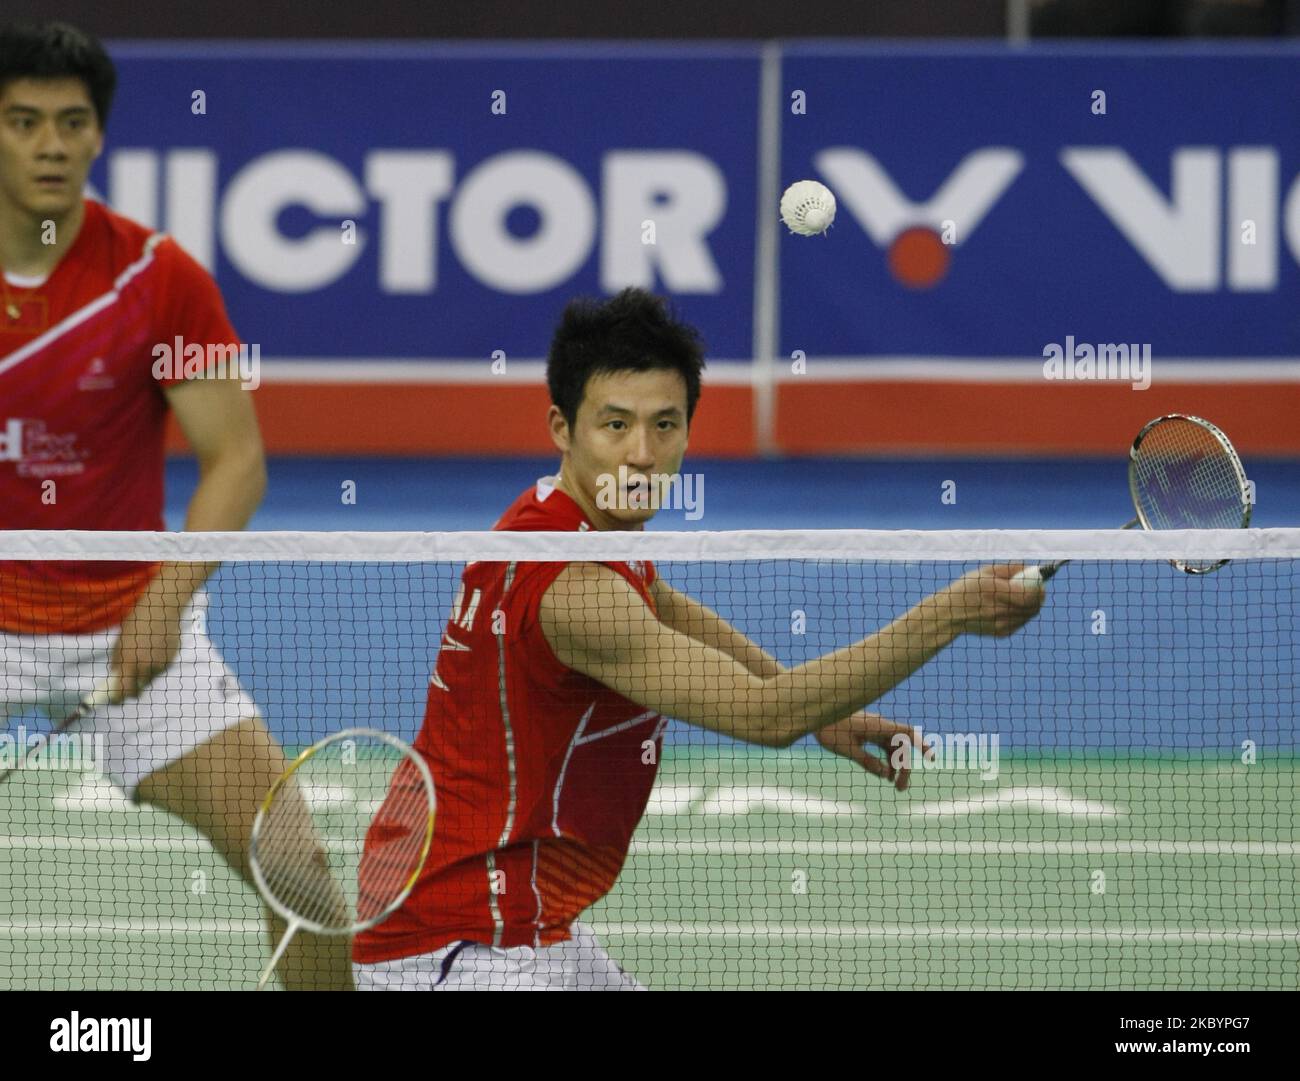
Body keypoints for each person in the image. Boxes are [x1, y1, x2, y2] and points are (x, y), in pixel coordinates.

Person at [352, 287, 1044, 990]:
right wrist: (947, 617)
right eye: (614, 425)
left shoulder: (560, 514)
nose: (642, 454)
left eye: (665, 424)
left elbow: (659, 602)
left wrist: (818, 706)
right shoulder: (578, 593)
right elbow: (762, 716)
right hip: (457, 942)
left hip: (520, 913)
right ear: (562, 426)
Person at [0, 20, 350, 989]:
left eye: (72, 123)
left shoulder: (161, 281)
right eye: (23, 121)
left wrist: (164, 601)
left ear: (99, 137)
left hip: (129, 624)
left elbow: (235, 458)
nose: (51, 145)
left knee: (300, 870)